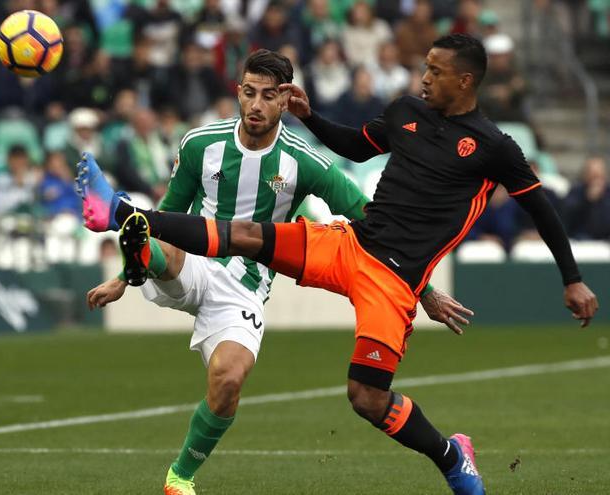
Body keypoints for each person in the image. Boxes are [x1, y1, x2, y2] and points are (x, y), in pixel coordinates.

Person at [76, 35, 598, 494]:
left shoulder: (495, 147)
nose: (424, 78)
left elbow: (540, 206)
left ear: (465, 81)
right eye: (425, 68)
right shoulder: (404, 113)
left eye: (434, 72)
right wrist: (310, 117)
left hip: (395, 281)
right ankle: (122, 212)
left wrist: (571, 279)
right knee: (245, 234)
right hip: (352, 244)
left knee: (367, 397)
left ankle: (451, 455)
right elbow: (356, 144)